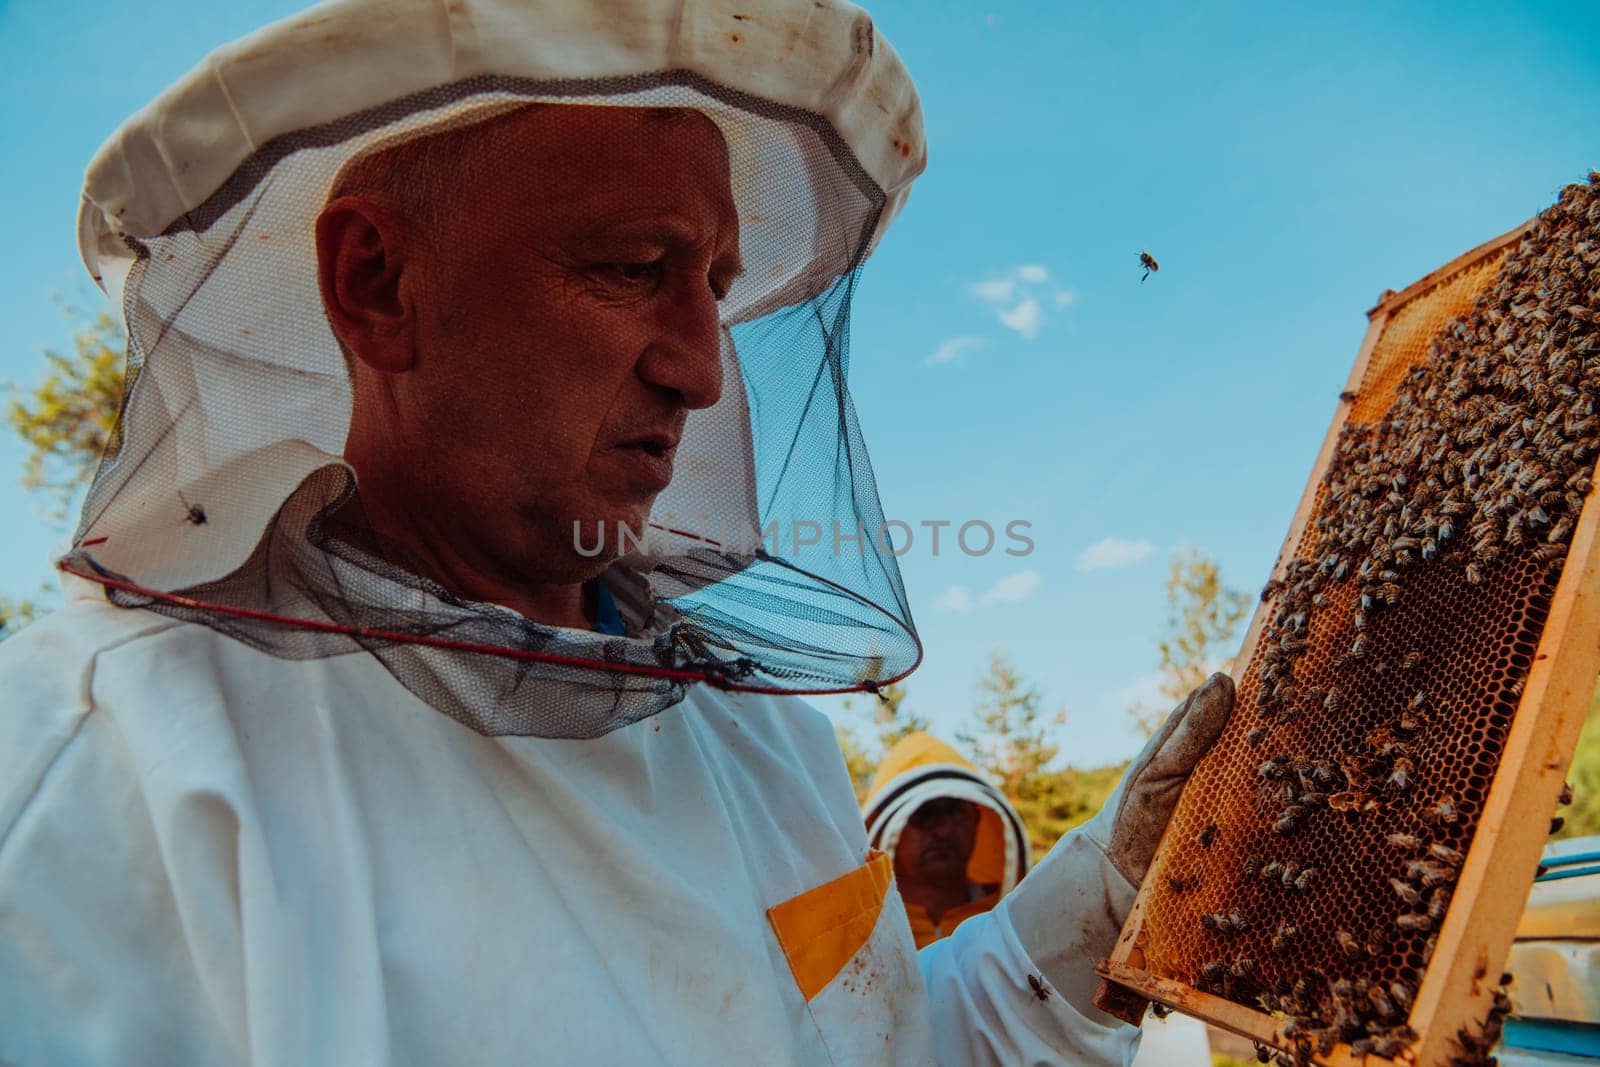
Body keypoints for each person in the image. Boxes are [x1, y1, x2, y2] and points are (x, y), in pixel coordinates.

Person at [0, 2, 1236, 1064]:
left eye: (713, 284)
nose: (701, 370)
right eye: (632, 265)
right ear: (377, 281)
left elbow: (885, 1044)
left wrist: (1108, 898)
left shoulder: (764, 741)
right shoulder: (103, 777)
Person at [863, 733, 1032, 949]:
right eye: (922, 813)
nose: (942, 830)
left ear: (978, 820)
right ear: (882, 829)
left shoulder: (1017, 923)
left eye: (955, 811)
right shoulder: (860, 939)